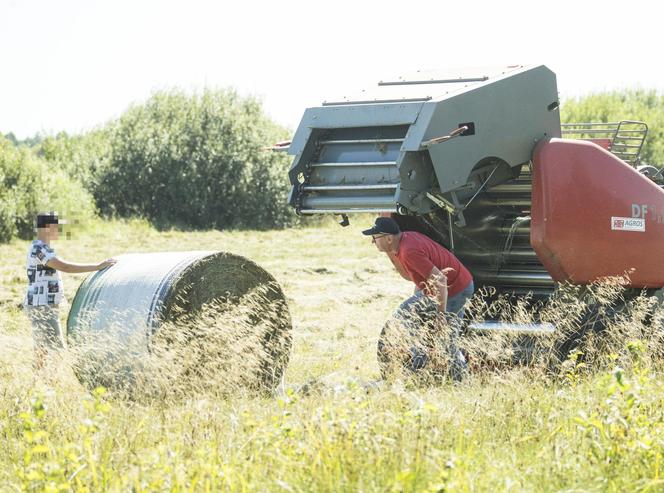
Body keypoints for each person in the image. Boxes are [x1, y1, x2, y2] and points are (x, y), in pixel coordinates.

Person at [362, 216, 474, 380]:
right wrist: (418, 310)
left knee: (445, 340)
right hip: (450, 287)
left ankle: (460, 380)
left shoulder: (408, 251)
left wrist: (440, 316)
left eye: (375, 237)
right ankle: (418, 370)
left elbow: (440, 280)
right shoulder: (405, 242)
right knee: (410, 319)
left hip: (455, 289)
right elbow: (423, 281)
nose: (373, 241)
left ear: (388, 238)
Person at [24, 212, 116, 369]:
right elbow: (65, 266)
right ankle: (50, 383)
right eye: (56, 227)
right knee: (57, 350)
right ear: (47, 228)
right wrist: (96, 266)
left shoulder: (41, 247)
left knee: (42, 349)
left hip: (41, 304)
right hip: (42, 305)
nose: (58, 230)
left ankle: (39, 384)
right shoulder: (40, 249)